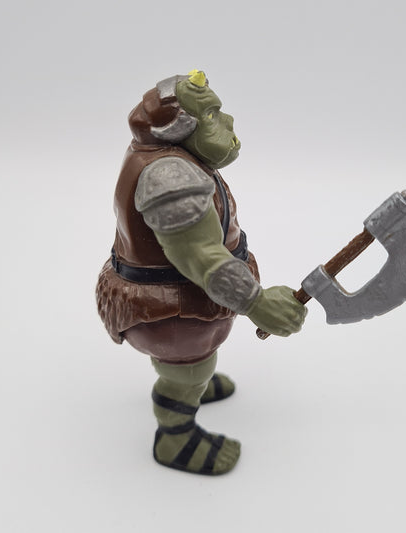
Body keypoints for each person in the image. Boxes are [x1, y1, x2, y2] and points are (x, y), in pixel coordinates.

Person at [96, 70, 306, 475]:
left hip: (178, 303)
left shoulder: (170, 158)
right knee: (187, 366)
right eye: (211, 115)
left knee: (194, 363)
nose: (227, 121)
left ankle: (193, 381)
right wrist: (257, 303)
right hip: (171, 311)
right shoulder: (168, 177)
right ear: (180, 131)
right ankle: (175, 436)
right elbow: (200, 256)